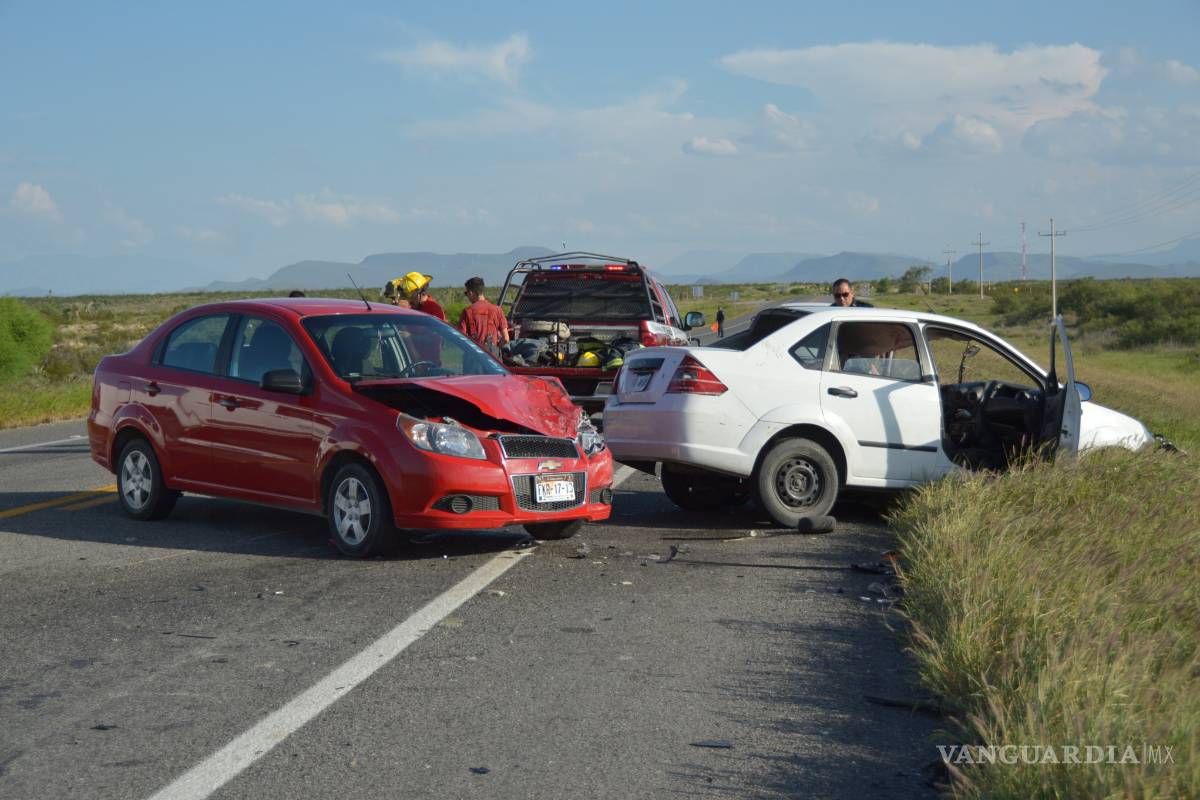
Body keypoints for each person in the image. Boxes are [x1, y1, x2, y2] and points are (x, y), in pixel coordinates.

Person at [458, 276, 510, 357]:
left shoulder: (467, 312)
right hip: (493, 359)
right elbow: (506, 339)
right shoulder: (497, 310)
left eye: (466, 293)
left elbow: (461, 339)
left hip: (473, 358)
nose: (467, 296)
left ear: (471, 293)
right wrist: (496, 348)